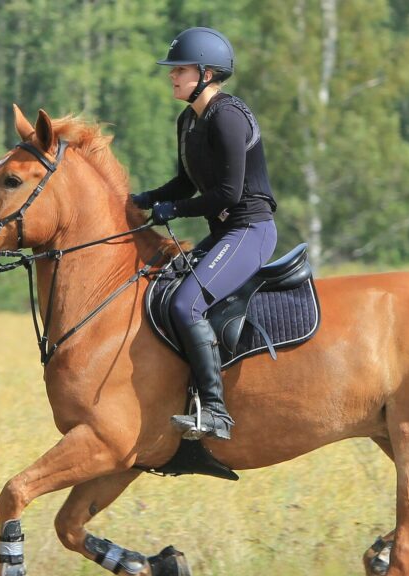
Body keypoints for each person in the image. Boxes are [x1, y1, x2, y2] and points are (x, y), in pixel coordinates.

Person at [131, 27, 278, 441]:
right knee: (163, 288)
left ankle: (215, 412)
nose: (172, 75)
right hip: (226, 232)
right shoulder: (188, 121)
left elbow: (228, 193)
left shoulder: (227, 117)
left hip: (250, 230)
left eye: (180, 69)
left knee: (186, 304)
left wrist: (175, 210)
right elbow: (184, 184)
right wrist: (141, 200)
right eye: (173, 70)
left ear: (207, 74)